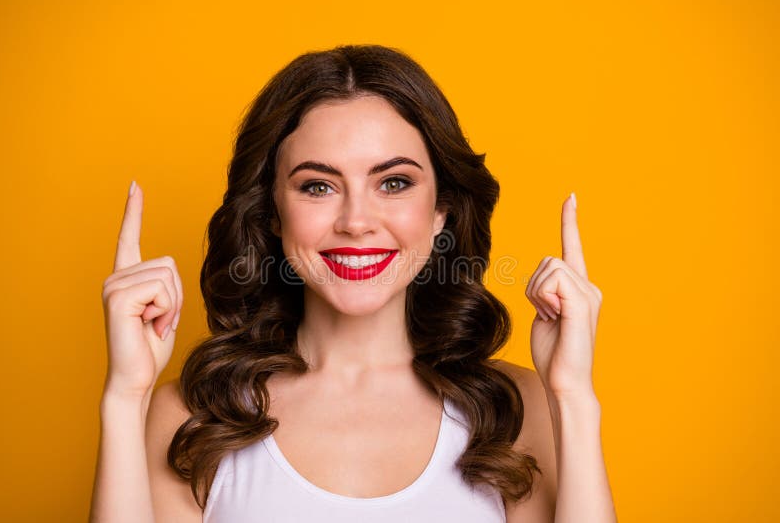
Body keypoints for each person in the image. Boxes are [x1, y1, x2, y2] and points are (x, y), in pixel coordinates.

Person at [90, 44, 616, 522]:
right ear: (272, 212)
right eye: (318, 186)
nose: (356, 221)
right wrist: (123, 397)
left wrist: (572, 397)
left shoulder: (515, 408)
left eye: (394, 183)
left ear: (441, 212)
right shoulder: (196, 416)